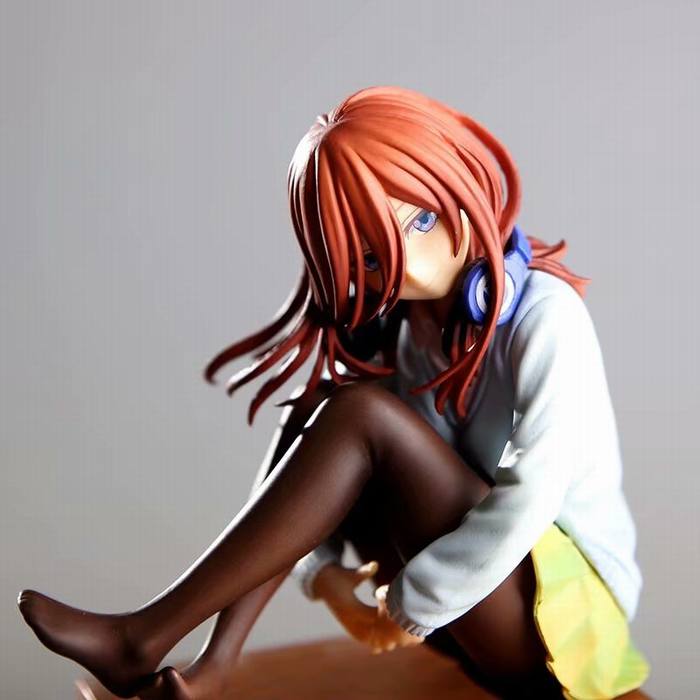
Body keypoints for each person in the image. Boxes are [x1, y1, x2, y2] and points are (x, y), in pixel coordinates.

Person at [18, 86, 650, 700]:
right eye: (374, 256)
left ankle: (139, 640)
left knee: (361, 414)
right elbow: (328, 461)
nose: (411, 262)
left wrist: (409, 604)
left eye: (422, 220)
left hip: (555, 633)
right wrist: (324, 575)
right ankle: (213, 665)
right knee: (318, 406)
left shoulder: (545, 318)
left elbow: (531, 496)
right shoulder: (402, 324)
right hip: (458, 614)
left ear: (457, 183)